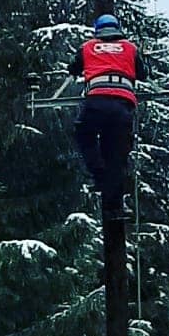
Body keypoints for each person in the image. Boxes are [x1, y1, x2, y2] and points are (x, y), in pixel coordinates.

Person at [68, 14, 147, 213]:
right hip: (123, 103)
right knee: (117, 152)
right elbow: (143, 73)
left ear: (97, 29)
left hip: (97, 99)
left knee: (84, 133)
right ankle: (115, 198)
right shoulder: (130, 48)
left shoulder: (88, 47)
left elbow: (73, 68)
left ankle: (98, 171)